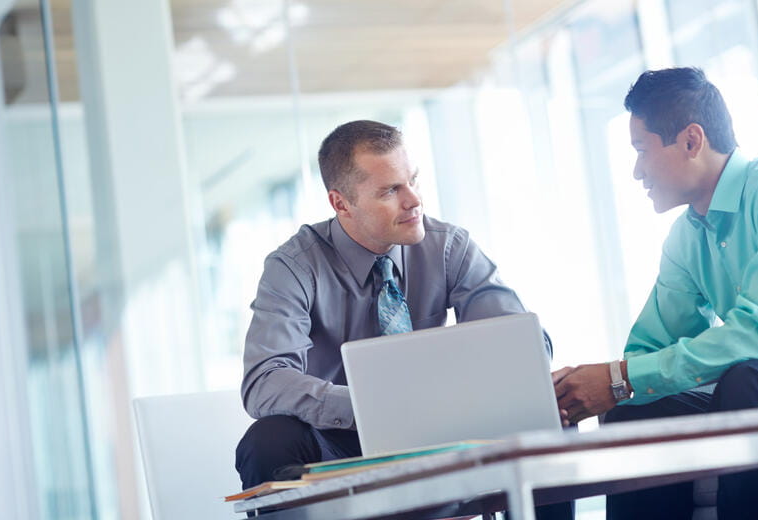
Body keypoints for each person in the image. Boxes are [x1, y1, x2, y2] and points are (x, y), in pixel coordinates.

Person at [235, 119, 572, 519]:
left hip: (446, 430)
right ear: (341, 203)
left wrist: (486, 395)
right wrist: (378, 408)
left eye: (412, 180)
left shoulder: (448, 246)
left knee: (551, 418)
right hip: (345, 437)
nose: (414, 201)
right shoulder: (293, 267)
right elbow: (264, 381)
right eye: (391, 190)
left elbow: (519, 346)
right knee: (268, 440)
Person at [552, 67, 758, 519]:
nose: (637, 171)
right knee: (632, 406)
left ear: (691, 141)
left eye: (641, 150)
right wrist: (597, 387)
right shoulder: (685, 236)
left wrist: (622, 377)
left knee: (748, 380)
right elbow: (646, 353)